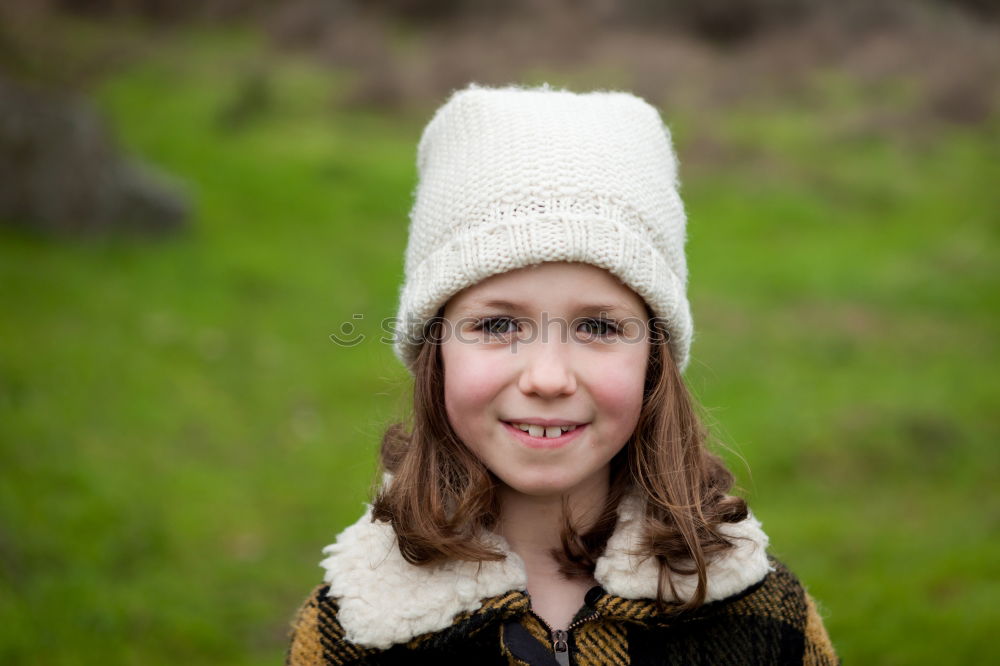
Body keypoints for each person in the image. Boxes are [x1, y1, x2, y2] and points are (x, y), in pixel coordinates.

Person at [286, 83, 838, 665]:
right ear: (436, 351)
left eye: (598, 328)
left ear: (655, 359)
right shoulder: (350, 636)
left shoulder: (761, 615)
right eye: (498, 327)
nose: (548, 379)